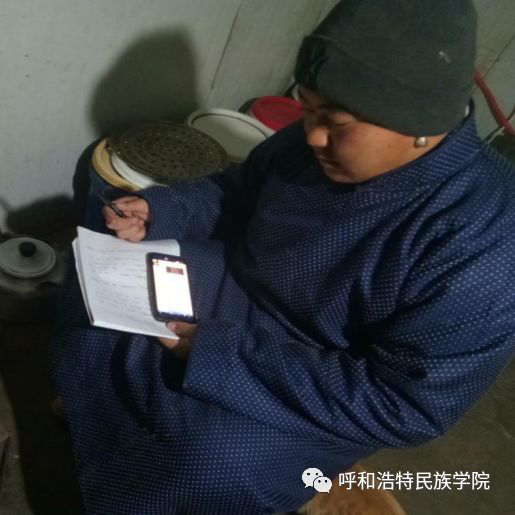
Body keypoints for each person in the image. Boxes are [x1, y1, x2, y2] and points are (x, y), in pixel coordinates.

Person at [51, 0, 515, 512]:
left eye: (335, 123)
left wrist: (219, 354)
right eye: (308, 108)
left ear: (419, 124)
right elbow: (239, 190)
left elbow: (406, 404)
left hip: (321, 368)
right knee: (100, 287)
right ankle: (97, 432)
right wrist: (160, 211)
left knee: (208, 462)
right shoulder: (318, 137)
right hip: (238, 280)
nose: (312, 135)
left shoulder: (484, 246)